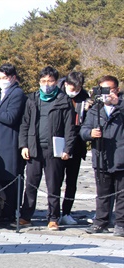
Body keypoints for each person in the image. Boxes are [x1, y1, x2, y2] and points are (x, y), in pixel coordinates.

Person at [18, 66, 75, 230]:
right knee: (31, 184)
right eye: (43, 81)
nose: (46, 84)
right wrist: (23, 145)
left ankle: (53, 217)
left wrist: (67, 149)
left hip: (54, 150)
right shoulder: (32, 99)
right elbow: (25, 124)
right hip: (34, 148)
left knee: (53, 184)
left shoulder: (63, 101)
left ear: (56, 82)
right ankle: (26, 215)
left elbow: (69, 128)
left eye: (50, 81)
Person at [81, 75, 124, 237]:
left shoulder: (121, 106)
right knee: (103, 193)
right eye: (103, 90)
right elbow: (83, 130)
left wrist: (117, 103)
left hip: (120, 156)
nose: (107, 94)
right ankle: (101, 221)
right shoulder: (95, 109)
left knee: (122, 194)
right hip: (101, 156)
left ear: (117, 90)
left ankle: (121, 223)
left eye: (110, 90)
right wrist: (90, 133)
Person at [0, 63, 27, 222]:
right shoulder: (2, 93)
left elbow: (10, 117)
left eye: (5, 78)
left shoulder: (17, 94)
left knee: (10, 177)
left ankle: (10, 212)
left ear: (14, 78)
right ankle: (1, 210)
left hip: (9, 142)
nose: (2, 81)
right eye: (0, 78)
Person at [59, 71, 90, 225]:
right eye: (72, 87)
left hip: (76, 144)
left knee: (71, 181)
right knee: (55, 180)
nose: (74, 91)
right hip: (58, 141)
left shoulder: (84, 97)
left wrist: (89, 109)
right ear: (66, 84)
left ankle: (66, 212)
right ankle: (52, 213)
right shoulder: (57, 94)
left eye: (77, 88)